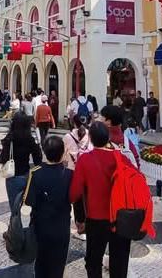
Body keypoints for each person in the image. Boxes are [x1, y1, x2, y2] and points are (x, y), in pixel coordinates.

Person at [70, 121, 133, 277]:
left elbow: (74, 193)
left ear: (90, 137)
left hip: (96, 218)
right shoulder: (121, 158)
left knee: (93, 261)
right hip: (121, 217)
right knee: (119, 261)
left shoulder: (85, 160)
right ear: (108, 137)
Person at [24, 136, 73, 278]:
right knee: (58, 264)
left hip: (41, 226)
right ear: (63, 152)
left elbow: (28, 200)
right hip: (62, 226)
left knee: (41, 263)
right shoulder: (69, 174)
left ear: (44, 152)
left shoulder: (35, 172)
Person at [0, 112, 42, 208]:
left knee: (14, 208)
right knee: (31, 204)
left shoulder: (10, 139)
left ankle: (15, 222)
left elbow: (4, 157)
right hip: (26, 175)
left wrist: (0, 160)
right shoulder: (30, 139)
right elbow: (38, 158)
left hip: (12, 176)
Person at [63, 116, 92, 241]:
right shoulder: (90, 134)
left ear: (73, 122)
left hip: (72, 171)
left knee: (76, 199)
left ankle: (80, 226)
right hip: (87, 171)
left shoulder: (67, 137)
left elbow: (63, 156)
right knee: (87, 197)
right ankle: (88, 223)